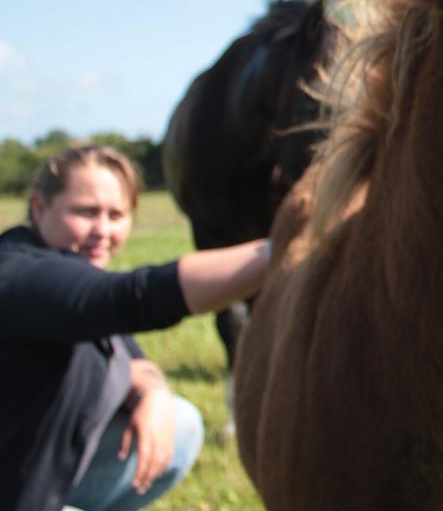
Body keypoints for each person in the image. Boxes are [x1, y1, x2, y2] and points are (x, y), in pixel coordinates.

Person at [0, 145, 270, 511]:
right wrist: (280, 249)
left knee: (181, 422)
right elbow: (131, 298)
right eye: (86, 212)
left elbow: (132, 360)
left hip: (31, 476)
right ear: (39, 207)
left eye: (116, 215)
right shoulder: (17, 272)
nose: (103, 230)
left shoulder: (72, 273)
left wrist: (153, 393)